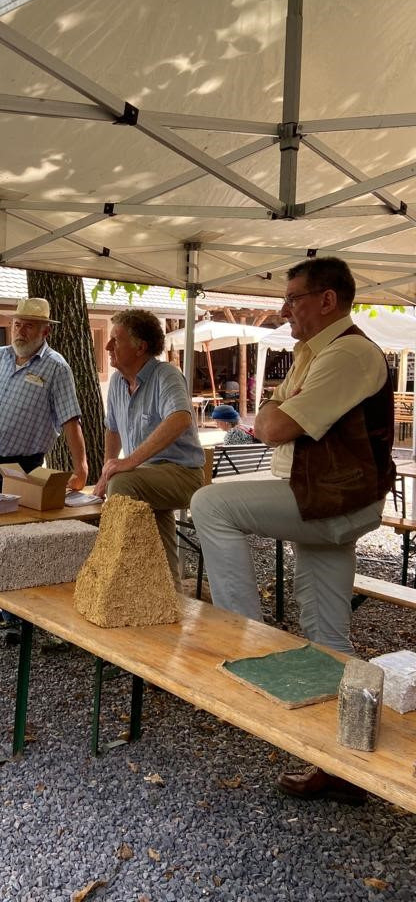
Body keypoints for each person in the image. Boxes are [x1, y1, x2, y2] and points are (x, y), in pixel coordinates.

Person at [190, 256, 394, 804]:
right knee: (328, 638)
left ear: (327, 300)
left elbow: (272, 424)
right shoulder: (315, 352)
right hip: (323, 500)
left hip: (330, 501)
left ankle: (245, 637)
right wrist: (273, 412)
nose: (284, 310)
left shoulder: (349, 352)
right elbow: (266, 418)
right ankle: (343, 766)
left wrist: (275, 412)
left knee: (210, 503)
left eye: (294, 298)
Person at [94, 309, 206, 590]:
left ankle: (112, 577)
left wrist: (126, 463)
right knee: (158, 538)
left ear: (140, 346)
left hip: (184, 475)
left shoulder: (166, 375)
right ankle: (168, 595)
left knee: (123, 483)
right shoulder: (118, 383)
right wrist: (106, 471)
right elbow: (113, 430)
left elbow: (180, 418)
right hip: (147, 477)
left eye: (115, 340)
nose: (107, 347)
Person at [0, 297, 88, 492]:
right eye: (17, 325)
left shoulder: (56, 368)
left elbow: (70, 420)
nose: (20, 332)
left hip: (22, 468)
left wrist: (81, 469)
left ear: (46, 331)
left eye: (29, 326)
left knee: (14, 520)